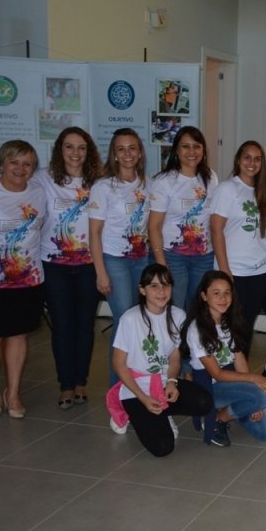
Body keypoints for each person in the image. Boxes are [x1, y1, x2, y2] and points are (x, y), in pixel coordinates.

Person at [108, 264, 212, 457]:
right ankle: (131, 411)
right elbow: (118, 364)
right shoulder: (130, 319)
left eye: (166, 285)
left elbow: (174, 356)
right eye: (154, 286)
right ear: (142, 289)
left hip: (163, 382)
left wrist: (172, 382)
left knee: (204, 402)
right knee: (163, 448)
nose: (161, 291)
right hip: (135, 389)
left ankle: (163, 411)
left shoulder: (178, 315)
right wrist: (144, 398)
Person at [33, 127, 103, 409]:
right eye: (69, 147)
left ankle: (81, 382)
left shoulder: (99, 181)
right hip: (54, 265)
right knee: (62, 326)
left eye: (81, 147)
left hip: (89, 265)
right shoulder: (43, 179)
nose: (75, 153)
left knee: (85, 325)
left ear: (89, 151)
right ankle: (65, 385)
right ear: (59, 150)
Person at [0, 141, 45, 420]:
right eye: (14, 162)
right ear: (2, 164)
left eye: (27, 163)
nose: (20, 169)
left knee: (19, 335)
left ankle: (14, 392)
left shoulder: (39, 193)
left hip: (27, 278)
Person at [181, 271, 266, 446]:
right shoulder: (197, 329)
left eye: (227, 292)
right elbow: (216, 374)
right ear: (204, 296)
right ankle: (219, 418)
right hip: (209, 387)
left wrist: (251, 390)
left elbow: (239, 359)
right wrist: (254, 380)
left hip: (230, 380)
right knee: (261, 396)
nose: (223, 298)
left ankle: (232, 410)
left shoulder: (231, 320)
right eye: (216, 293)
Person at [89, 128, 151, 386]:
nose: (127, 154)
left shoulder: (148, 184)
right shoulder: (103, 187)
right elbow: (94, 233)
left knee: (141, 320)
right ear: (114, 154)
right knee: (124, 321)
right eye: (121, 149)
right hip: (114, 260)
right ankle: (119, 387)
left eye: (132, 148)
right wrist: (100, 272)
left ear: (139, 152)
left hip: (141, 260)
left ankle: (140, 380)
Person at [210, 141, 266, 339]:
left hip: (261, 271)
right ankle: (225, 369)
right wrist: (224, 270)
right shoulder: (227, 189)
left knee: (247, 325)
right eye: (247, 157)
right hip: (234, 271)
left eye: (257, 159)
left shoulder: (264, 191)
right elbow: (215, 229)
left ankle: (241, 369)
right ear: (239, 160)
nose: (252, 163)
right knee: (230, 325)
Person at [148, 126, 219, 310]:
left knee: (197, 309)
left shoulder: (211, 177)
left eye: (197, 146)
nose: (191, 152)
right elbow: (154, 227)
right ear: (176, 150)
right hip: (173, 256)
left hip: (204, 256)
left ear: (203, 150)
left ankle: (191, 340)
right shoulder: (164, 181)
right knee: (174, 308)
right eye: (185, 146)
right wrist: (162, 264)